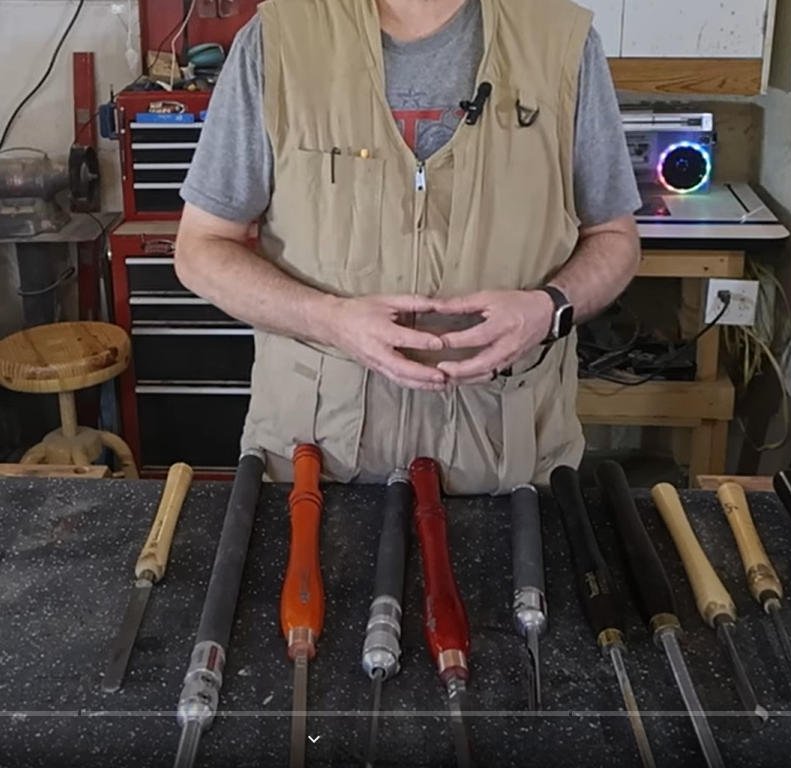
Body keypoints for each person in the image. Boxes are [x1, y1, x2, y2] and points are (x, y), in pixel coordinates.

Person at [175, 0, 642, 494]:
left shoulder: (560, 43)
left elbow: (614, 240)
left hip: (509, 468)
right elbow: (201, 249)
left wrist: (549, 310)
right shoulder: (277, 40)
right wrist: (328, 318)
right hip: (315, 467)